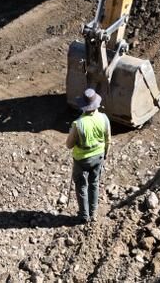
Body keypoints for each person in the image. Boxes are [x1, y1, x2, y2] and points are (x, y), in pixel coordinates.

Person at [64, 88, 110, 224]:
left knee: (81, 186)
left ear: (84, 106)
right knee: (94, 184)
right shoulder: (104, 118)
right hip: (99, 157)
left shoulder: (78, 124)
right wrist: (105, 155)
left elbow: (69, 145)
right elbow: (108, 140)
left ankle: (84, 216)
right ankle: (94, 213)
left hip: (81, 160)